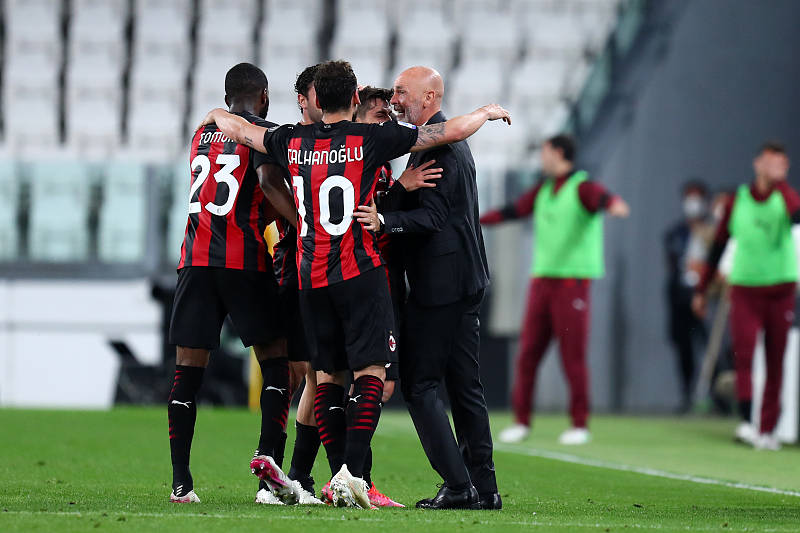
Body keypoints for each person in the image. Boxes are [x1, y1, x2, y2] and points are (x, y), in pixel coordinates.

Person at [199, 59, 511, 508]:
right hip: (358, 270)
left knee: (324, 376)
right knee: (371, 375)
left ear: (315, 99)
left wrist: (216, 114)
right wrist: (485, 112)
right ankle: (351, 473)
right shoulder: (370, 140)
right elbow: (450, 131)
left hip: (310, 275)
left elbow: (244, 132)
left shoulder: (292, 138)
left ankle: (318, 475)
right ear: (352, 99)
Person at [356, 66, 501, 511]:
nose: (396, 100)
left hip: (442, 286)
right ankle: (484, 488)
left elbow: (433, 218)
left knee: (420, 384)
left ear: (430, 97)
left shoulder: (438, 147)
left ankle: (458, 486)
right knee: (465, 387)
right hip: (464, 279)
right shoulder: (442, 141)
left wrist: (385, 219)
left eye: (403, 92)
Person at [167, 63, 299, 504]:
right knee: (277, 362)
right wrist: (302, 222)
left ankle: (181, 483)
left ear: (226, 100)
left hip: (195, 261)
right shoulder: (263, 133)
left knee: (188, 372)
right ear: (264, 96)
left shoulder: (201, 134)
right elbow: (266, 181)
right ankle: (267, 472)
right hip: (244, 262)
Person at [480, 134, 630, 446]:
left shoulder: (582, 187)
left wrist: (614, 205)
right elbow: (513, 211)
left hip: (572, 284)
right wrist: (475, 219)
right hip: (542, 283)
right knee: (528, 355)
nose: (541, 158)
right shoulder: (544, 189)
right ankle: (521, 422)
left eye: (545, 152)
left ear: (559, 153)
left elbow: (604, 199)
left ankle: (579, 424)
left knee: (572, 357)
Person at [350, 85, 442, 508]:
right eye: (378, 117)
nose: (387, 123)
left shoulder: (381, 164)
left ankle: (326, 475)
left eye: (389, 116)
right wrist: (401, 188)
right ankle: (352, 478)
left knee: (358, 384)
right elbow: (359, 217)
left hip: (383, 281)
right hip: (361, 280)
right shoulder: (357, 159)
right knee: (362, 382)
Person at [692, 141, 798, 450]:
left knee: (775, 359)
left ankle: (767, 429)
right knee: (744, 355)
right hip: (745, 289)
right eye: (770, 162)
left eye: (781, 164)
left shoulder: (785, 198)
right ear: (757, 164)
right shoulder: (737, 201)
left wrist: (781, 186)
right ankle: (747, 421)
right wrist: (702, 290)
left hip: (780, 289)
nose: (775, 168)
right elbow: (718, 246)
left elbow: (797, 217)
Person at [250, 64, 324, 506]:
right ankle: (275, 479)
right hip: (295, 264)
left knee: (314, 372)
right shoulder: (285, 140)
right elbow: (267, 183)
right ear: (302, 100)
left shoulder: (338, 140)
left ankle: (294, 477)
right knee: (298, 372)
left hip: (327, 266)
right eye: (319, 94)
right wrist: (303, 224)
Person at [663, 181, 714, 412]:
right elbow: (672, 263)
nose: (692, 203)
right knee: (684, 348)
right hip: (681, 297)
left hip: (705, 296)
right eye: (688, 197)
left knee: (710, 346)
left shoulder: (713, 231)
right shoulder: (676, 233)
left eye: (697, 197)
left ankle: (718, 399)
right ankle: (687, 396)